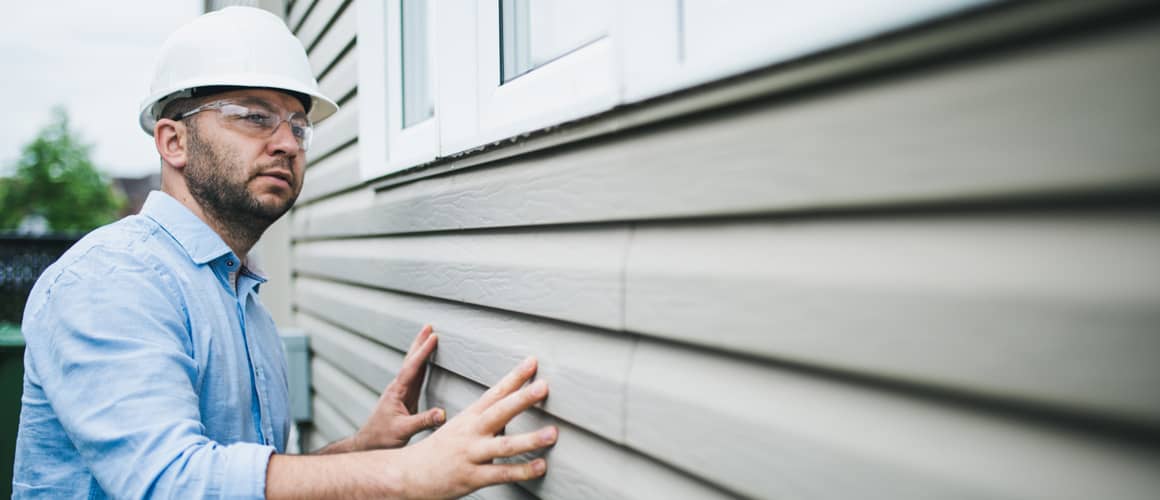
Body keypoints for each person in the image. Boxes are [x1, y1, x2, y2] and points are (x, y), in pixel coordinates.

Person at [12, 7, 556, 498]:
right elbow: (171, 482)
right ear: (173, 141)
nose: (289, 143)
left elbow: (243, 483)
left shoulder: (241, 300)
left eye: (298, 125)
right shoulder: (111, 280)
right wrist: (403, 476)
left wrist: (361, 450)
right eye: (254, 116)